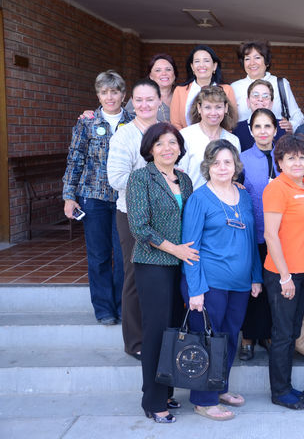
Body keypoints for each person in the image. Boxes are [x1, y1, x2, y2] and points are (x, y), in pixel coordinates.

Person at [182, 139, 263, 421]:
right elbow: (190, 247)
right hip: (210, 284)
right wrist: (195, 289)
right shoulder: (199, 199)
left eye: (227, 162)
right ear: (207, 166)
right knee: (207, 341)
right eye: (216, 163)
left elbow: (250, 239)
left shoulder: (243, 196)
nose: (222, 167)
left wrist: (255, 276)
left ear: (236, 166)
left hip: (239, 284)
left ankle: (219, 387)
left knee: (228, 339)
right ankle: (203, 401)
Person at [126, 122, 196, 424]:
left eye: (172, 142)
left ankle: (166, 390)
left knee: (173, 329)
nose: (167, 148)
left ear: (179, 147)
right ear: (150, 149)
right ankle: (153, 401)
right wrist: (175, 250)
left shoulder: (185, 179)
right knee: (156, 332)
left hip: (182, 265)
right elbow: (139, 227)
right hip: (153, 264)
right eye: (160, 143)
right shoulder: (140, 178)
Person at [62, 70, 131, 325]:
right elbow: (75, 159)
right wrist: (69, 196)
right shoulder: (86, 123)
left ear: (123, 95)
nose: (109, 97)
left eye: (114, 92)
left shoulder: (133, 122)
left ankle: (124, 306)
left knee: (123, 256)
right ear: (98, 95)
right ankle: (104, 309)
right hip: (93, 197)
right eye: (104, 92)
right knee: (99, 255)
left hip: (125, 198)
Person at [108, 78, 163, 360]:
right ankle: (135, 341)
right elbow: (116, 179)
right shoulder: (124, 136)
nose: (144, 105)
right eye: (138, 100)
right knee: (135, 276)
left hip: (165, 216)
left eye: (150, 99)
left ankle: (160, 336)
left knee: (161, 278)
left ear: (159, 101)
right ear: (132, 103)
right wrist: (155, 180)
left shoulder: (167, 132)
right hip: (132, 215)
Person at [263, 134, 304, 410]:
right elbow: (270, 235)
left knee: (293, 331)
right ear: (280, 162)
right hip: (283, 274)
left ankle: (288, 385)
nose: (297, 163)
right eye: (291, 158)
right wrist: (285, 277)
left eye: (302, 157)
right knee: (283, 334)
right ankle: (280, 391)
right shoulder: (277, 188)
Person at [237, 108, 280, 361]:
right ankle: (248, 337)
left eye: (268, 126)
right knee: (251, 287)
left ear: (275, 129)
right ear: (251, 130)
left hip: (279, 235)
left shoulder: (284, 157)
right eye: (258, 126)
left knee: (272, 286)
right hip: (250, 235)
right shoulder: (241, 159)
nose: (263, 131)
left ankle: (268, 334)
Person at [231, 41, 303, 132]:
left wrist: (291, 125)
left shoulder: (280, 84)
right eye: (247, 59)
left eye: (257, 58)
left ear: (267, 61)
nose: (252, 63)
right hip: (243, 138)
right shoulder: (235, 87)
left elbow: (298, 116)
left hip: (276, 137)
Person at [177, 85, 240, 189]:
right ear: (199, 108)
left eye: (218, 107)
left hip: (223, 197)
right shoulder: (185, 136)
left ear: (226, 108)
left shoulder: (233, 140)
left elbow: (233, 177)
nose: (213, 113)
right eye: (207, 107)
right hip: (192, 197)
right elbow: (180, 175)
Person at [170, 45, 237, 130]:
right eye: (197, 61)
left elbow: (231, 121)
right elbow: (175, 123)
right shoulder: (180, 91)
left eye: (206, 61)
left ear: (214, 66)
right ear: (192, 67)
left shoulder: (227, 90)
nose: (201, 65)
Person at [232, 79, 285, 151]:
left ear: (271, 103)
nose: (260, 99)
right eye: (255, 95)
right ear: (248, 101)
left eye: (265, 96)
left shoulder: (282, 127)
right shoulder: (237, 129)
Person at [125, 54, 178, 123]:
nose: (164, 73)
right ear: (151, 76)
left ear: (174, 74)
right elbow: (127, 121)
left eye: (168, 69)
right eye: (158, 70)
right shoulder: (140, 97)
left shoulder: (182, 97)